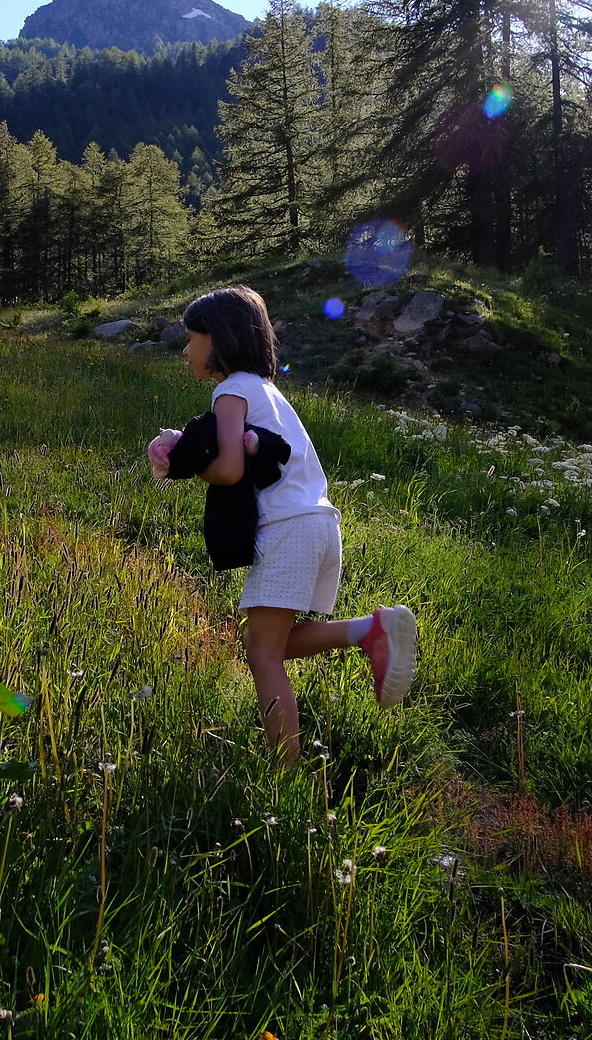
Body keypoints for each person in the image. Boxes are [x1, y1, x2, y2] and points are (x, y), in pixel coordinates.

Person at [152, 286, 416, 765]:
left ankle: (285, 777)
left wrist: (181, 466)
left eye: (192, 338)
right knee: (265, 644)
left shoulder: (229, 390)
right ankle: (368, 631)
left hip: (287, 529)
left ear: (219, 341)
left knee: (263, 658)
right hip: (318, 524)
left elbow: (229, 469)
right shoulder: (267, 390)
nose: (186, 349)